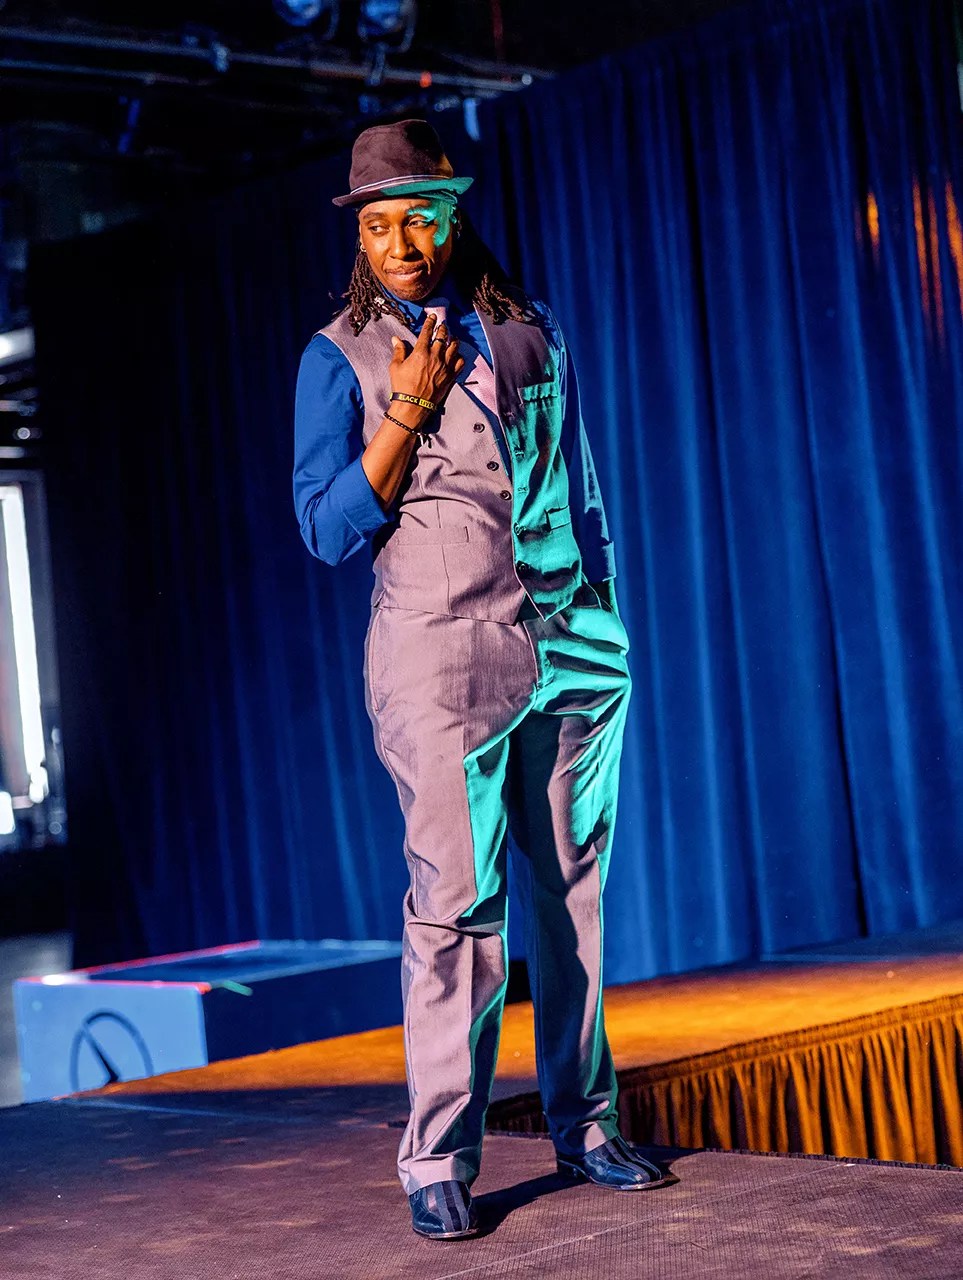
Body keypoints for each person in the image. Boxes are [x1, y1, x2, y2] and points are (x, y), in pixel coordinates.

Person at [293, 118, 669, 1240]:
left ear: (453, 217)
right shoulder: (338, 357)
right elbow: (325, 529)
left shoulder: (527, 327)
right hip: (441, 661)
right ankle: (438, 1157)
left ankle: (586, 1123)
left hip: (570, 649)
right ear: (358, 237)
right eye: (378, 226)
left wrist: (605, 619)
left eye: (418, 218)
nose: (401, 244)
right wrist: (407, 406)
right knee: (457, 906)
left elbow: (582, 488)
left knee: (572, 894)